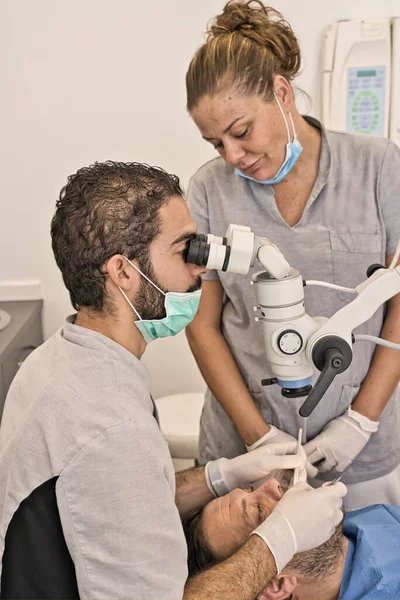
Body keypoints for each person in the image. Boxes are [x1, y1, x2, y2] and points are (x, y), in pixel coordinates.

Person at [0, 161, 345, 599]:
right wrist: (282, 539)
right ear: (123, 272)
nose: (201, 266)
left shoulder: (64, 358)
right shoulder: (112, 427)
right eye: (186, 248)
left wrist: (223, 475)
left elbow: (123, 503)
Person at [185, 0, 400, 510]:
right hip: (247, 452)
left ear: (281, 93)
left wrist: (361, 421)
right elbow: (203, 324)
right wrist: (256, 436)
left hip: (363, 453)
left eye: (240, 132)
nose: (233, 156)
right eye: (216, 143)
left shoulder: (377, 167)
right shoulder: (210, 191)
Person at [183, 484, 400, 600]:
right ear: (277, 585)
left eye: (250, 488)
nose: (273, 484)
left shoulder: (362, 522)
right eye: (259, 511)